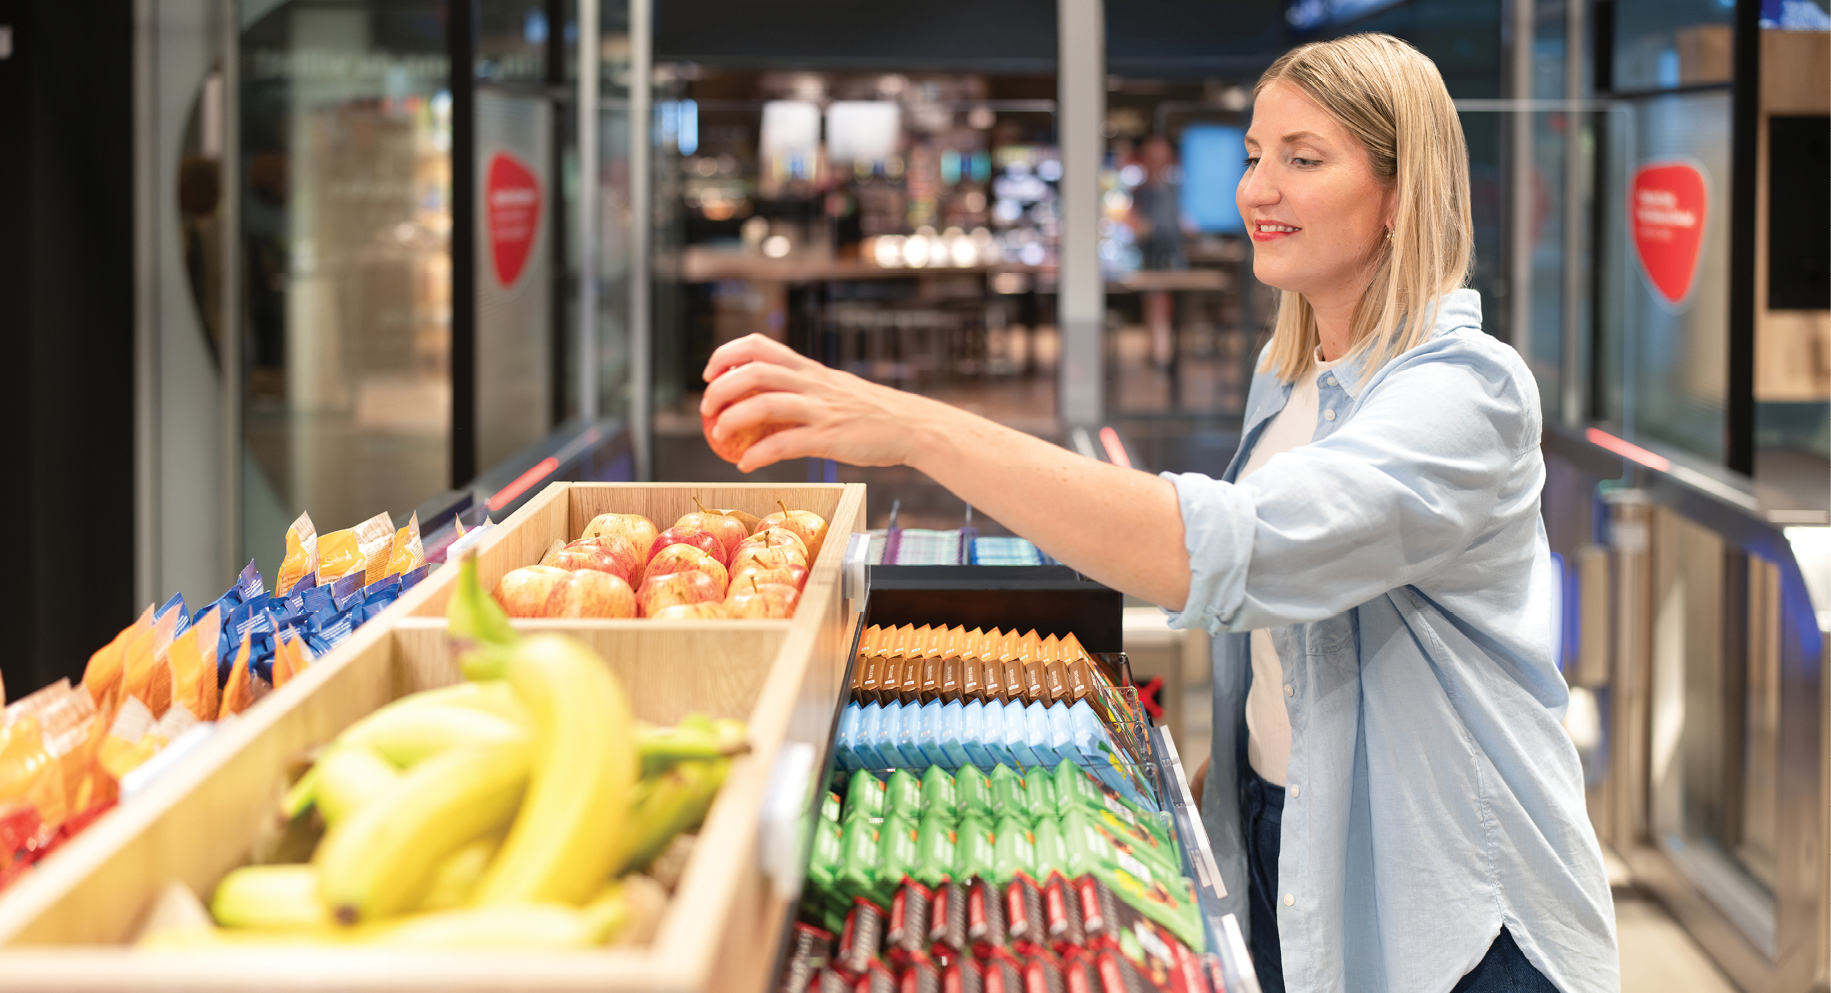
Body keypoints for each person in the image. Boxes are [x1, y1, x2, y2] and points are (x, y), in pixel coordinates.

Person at [700, 33, 1616, 993]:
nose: (1256, 188)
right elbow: (1282, 643)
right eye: (1257, 155)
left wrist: (913, 428)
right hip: (1285, 840)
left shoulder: (1467, 391)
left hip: (1455, 912)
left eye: (1303, 159)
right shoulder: (1289, 373)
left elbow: (1234, 550)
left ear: (1399, 192)